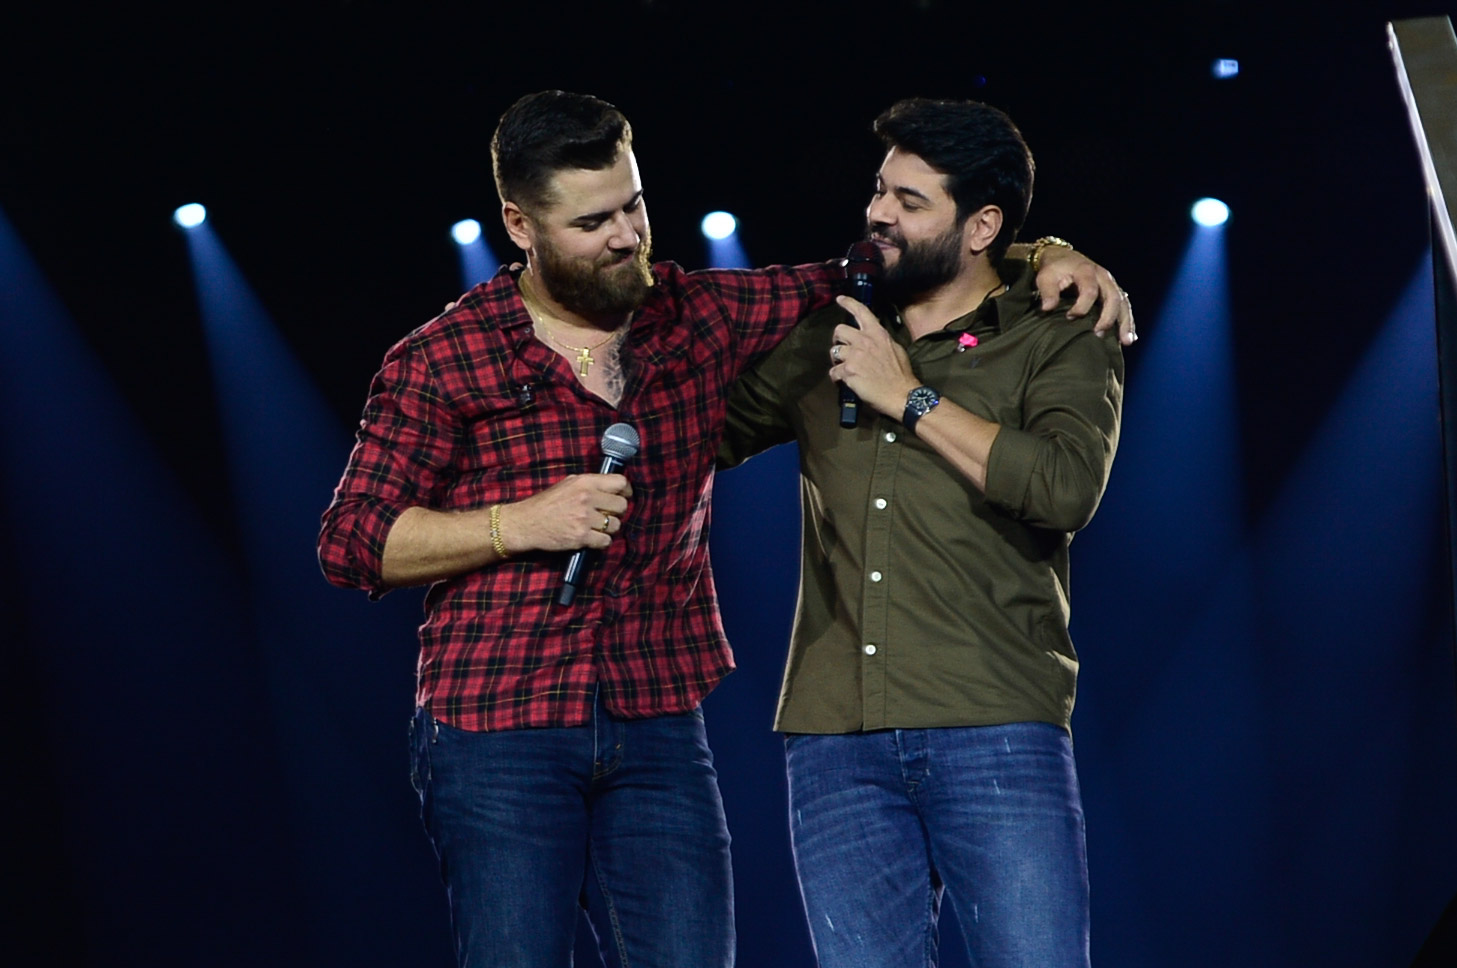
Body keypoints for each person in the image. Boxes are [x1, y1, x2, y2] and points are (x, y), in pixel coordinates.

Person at [317, 89, 1129, 968]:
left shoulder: (697, 317)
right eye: (592, 222)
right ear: (519, 225)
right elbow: (350, 542)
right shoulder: (444, 357)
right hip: (500, 719)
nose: (625, 236)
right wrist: (515, 523)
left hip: (664, 721)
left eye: (632, 207)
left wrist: (1046, 253)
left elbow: (904, 275)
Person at [719, 97, 1123, 968]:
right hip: (834, 739)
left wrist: (906, 395)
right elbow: (700, 433)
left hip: (993, 723)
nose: (878, 214)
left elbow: (1063, 489)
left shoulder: (1057, 331)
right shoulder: (831, 331)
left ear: (982, 227)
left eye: (909, 201)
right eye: (878, 191)